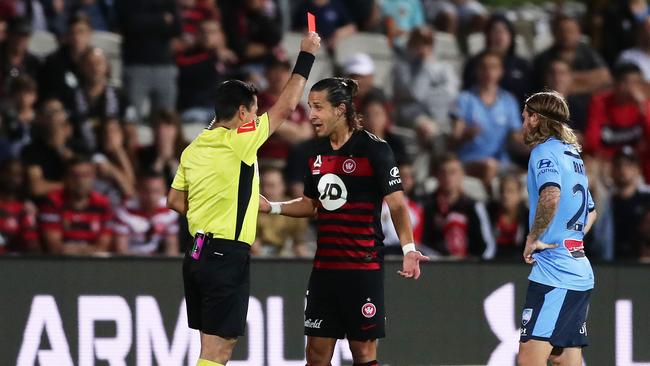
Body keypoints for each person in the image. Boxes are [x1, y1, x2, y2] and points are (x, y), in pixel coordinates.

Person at [166, 32, 320, 366]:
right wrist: (306, 55)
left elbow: (175, 201)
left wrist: (210, 213)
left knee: (210, 348)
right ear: (241, 113)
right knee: (220, 349)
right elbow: (287, 106)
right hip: (225, 254)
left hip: (197, 253)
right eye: (252, 111)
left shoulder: (194, 148)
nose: (255, 117)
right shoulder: (239, 139)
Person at [259, 77, 428, 366]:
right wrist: (272, 207)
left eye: (318, 107)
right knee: (315, 356)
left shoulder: (375, 150)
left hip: (362, 269)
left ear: (340, 109)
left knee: (363, 353)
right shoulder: (313, 153)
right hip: (325, 270)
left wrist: (408, 248)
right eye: (310, 107)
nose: (311, 115)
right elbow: (312, 204)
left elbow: (398, 204)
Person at [517, 91, 597, 365]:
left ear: (536, 118)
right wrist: (570, 240)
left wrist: (533, 237)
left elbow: (550, 194)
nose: (523, 125)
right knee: (565, 359)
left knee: (529, 359)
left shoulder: (544, 152)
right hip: (578, 268)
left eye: (525, 118)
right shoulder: (573, 156)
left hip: (555, 273)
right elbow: (592, 212)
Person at [420, 153, 495, 259]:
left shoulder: (474, 206)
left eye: (453, 172)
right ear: (437, 176)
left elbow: (487, 246)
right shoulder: (427, 206)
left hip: (470, 267)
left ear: (462, 175)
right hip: (435, 266)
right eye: (443, 173)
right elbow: (420, 242)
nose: (448, 177)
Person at [39, 155, 113, 255]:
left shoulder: (103, 204)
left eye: (85, 175)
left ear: (93, 177)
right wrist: (90, 249)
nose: (80, 181)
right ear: (65, 178)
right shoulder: (53, 202)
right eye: (75, 176)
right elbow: (54, 247)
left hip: (94, 264)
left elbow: (103, 247)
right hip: (62, 264)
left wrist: (77, 250)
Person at [114, 171, 179, 255]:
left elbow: (172, 247)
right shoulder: (125, 210)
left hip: (156, 261)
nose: (151, 196)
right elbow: (121, 250)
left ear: (164, 191)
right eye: (147, 191)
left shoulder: (169, 210)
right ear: (138, 190)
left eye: (156, 191)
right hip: (130, 260)